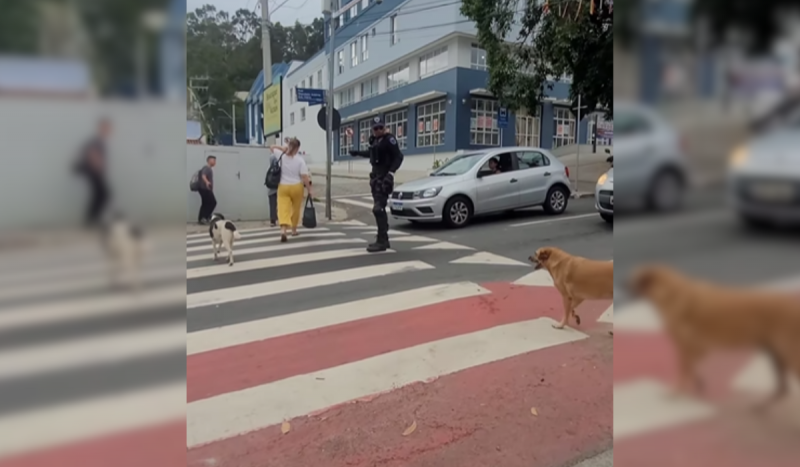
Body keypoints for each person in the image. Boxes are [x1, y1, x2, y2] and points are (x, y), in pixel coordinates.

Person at [349, 116, 404, 252]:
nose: (379, 130)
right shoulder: (375, 140)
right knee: (378, 209)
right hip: (376, 178)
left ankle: (382, 240)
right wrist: (357, 153)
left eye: (381, 127)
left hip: (384, 178)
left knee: (378, 209)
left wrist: (391, 174)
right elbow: (372, 154)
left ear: (384, 127)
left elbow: (399, 157)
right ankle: (383, 239)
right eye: (376, 128)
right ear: (372, 129)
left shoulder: (389, 140)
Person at [268, 138, 313, 242]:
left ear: (289, 145)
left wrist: (282, 148)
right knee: (295, 209)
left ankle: (283, 231)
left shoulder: (281, 155)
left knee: (283, 209)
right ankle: (293, 230)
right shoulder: (300, 160)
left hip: (283, 186)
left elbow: (271, 147)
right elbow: (304, 176)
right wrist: (309, 189)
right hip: (297, 187)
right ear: (297, 148)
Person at [75, 118, 112, 227]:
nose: (108, 130)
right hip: (94, 172)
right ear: (100, 128)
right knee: (104, 194)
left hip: (94, 172)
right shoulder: (96, 140)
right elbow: (92, 153)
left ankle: (91, 220)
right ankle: (92, 219)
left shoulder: (99, 140)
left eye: (109, 128)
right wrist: (98, 167)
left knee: (98, 195)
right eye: (106, 128)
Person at [197, 155, 217, 224]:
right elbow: (203, 175)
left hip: (204, 189)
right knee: (213, 202)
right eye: (213, 160)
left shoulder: (207, 168)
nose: (215, 162)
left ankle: (202, 218)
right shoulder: (207, 168)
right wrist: (207, 182)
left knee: (205, 204)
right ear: (209, 160)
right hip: (205, 189)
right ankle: (205, 217)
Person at [266, 149, 279, 227]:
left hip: (271, 189)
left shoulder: (270, 168)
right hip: (279, 187)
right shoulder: (279, 162)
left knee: (272, 204)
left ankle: (273, 221)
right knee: (281, 204)